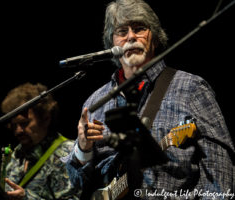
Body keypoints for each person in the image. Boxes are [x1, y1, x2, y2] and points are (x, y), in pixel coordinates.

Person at [63, 0, 235, 199]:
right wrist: (83, 150)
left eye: (139, 29)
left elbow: (220, 170)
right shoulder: (95, 102)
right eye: (122, 31)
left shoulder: (191, 88)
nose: (130, 37)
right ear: (112, 44)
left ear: (154, 38)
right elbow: (75, 186)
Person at [0, 82, 80, 200]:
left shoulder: (67, 152)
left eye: (24, 123)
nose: (18, 131)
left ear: (46, 118)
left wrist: (26, 198)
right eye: (13, 125)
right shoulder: (16, 154)